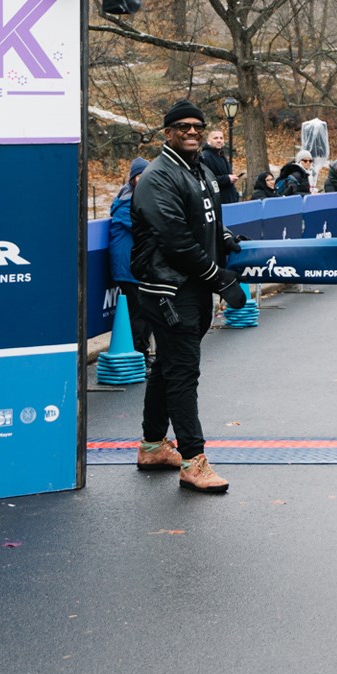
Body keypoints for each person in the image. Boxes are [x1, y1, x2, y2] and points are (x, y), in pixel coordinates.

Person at [130, 100, 249, 494]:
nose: (193, 132)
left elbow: (205, 219)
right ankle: (193, 461)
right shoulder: (157, 176)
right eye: (183, 127)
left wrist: (225, 239)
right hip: (169, 290)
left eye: (198, 126)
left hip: (192, 287)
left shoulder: (198, 169)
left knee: (167, 367)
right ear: (167, 132)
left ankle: (151, 446)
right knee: (183, 373)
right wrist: (218, 277)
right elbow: (176, 239)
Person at [108, 158, 154, 357]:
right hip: (128, 265)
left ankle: (141, 352)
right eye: (140, 176)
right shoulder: (127, 202)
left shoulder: (143, 197)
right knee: (138, 312)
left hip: (139, 264)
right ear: (133, 178)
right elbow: (144, 227)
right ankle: (138, 354)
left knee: (146, 311)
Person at [201, 128, 240, 206]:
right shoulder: (204, 156)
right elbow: (205, 181)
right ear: (208, 141)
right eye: (215, 138)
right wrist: (227, 179)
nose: (219, 140)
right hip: (217, 203)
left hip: (230, 201)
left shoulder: (222, 156)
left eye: (221, 138)